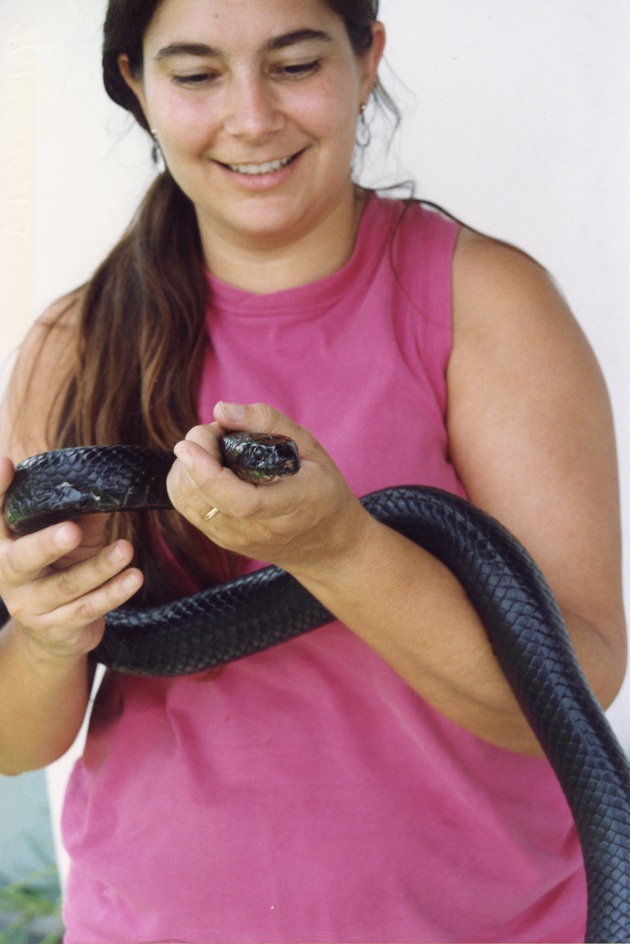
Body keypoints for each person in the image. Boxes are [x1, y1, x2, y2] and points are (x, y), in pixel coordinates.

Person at [0, 1, 626, 941]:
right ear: (135, 83)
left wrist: (341, 549)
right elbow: (18, 740)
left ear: (368, 57)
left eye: (294, 64)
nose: (252, 117)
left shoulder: (487, 304)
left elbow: (574, 686)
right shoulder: (73, 345)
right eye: (197, 73)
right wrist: (47, 642)